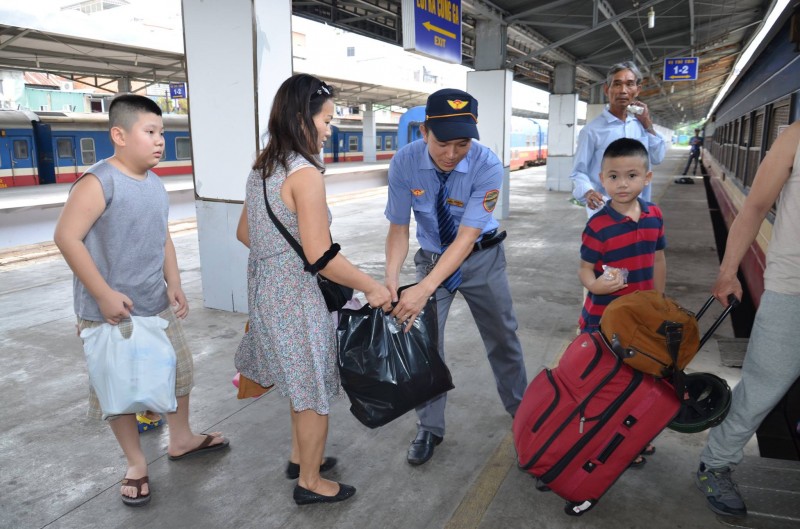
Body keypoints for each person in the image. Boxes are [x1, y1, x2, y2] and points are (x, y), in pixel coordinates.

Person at [53, 94, 230, 507]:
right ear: (119, 135)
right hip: (108, 314)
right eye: (149, 132)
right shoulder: (99, 182)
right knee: (119, 392)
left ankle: (182, 438)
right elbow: (66, 237)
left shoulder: (154, 183)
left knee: (179, 374)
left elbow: (162, 236)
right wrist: (103, 294)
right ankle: (135, 464)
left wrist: (174, 281)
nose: (159, 141)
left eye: (161, 133)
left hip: (155, 304)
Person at [235, 73, 392, 505]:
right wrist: (370, 285)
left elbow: (245, 233)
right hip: (298, 299)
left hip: (267, 292)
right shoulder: (304, 174)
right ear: (301, 118)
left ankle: (298, 457)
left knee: (300, 384)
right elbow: (321, 255)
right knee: (315, 394)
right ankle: (310, 482)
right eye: (325, 119)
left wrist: (281, 259)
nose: (329, 128)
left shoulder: (263, 167)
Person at [384, 88, 528, 466]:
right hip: (431, 258)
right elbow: (398, 228)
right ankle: (430, 428)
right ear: (424, 132)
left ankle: (523, 414)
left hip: (481, 259)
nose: (451, 154)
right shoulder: (404, 163)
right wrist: (391, 281)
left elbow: (465, 240)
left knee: (503, 337)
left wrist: (422, 290)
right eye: (442, 143)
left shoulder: (487, 165)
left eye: (461, 144)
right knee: (425, 345)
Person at [695, 120, 800, 517]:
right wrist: (728, 271)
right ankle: (715, 464)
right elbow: (755, 206)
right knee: (761, 387)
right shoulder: (795, 137)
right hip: (793, 288)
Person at [578, 138, 666, 467]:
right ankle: (604, 440)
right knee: (606, 382)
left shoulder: (655, 216)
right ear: (602, 179)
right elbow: (585, 270)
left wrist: (659, 301)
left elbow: (658, 260)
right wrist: (595, 285)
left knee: (639, 380)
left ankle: (630, 439)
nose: (623, 183)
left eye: (631, 175)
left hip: (641, 319)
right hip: (603, 321)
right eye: (614, 176)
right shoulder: (597, 226)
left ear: (648, 178)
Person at [570, 62, 666, 217]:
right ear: (607, 90)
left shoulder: (641, 126)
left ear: (637, 90)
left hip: (640, 211)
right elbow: (578, 172)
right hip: (605, 212)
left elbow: (657, 157)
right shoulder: (591, 131)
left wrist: (647, 123)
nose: (623, 90)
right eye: (617, 84)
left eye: (630, 84)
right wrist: (588, 191)